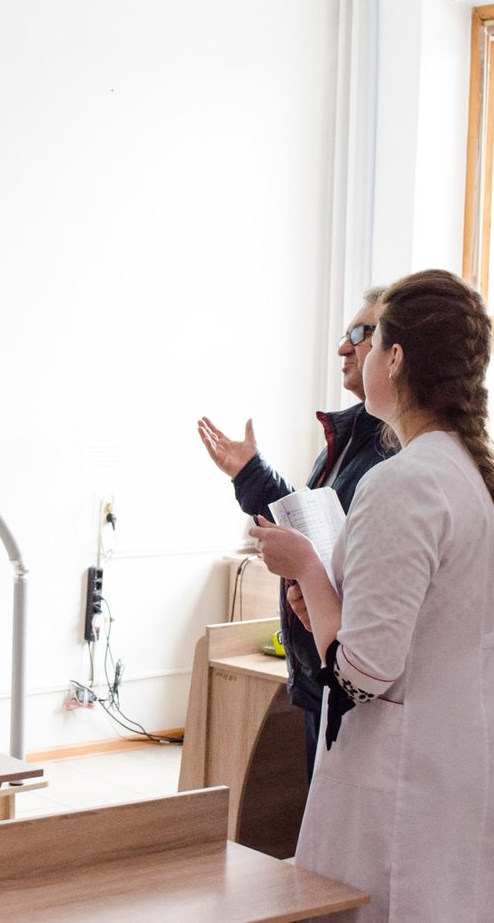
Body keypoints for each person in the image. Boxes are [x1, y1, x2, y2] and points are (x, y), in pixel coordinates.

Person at [249, 269, 494, 922]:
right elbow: (430, 623)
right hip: (471, 763)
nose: (359, 354)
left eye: (372, 340)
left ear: (396, 357)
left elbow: (359, 676)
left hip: (411, 787)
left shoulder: (402, 482)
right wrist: (324, 605)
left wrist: (307, 567)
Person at [197, 285, 391, 776]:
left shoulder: (399, 459)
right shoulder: (350, 434)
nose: (343, 348)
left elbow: (342, 565)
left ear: (396, 349)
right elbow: (316, 527)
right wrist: (252, 475)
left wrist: (306, 568)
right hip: (320, 671)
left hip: (355, 675)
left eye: (358, 334)